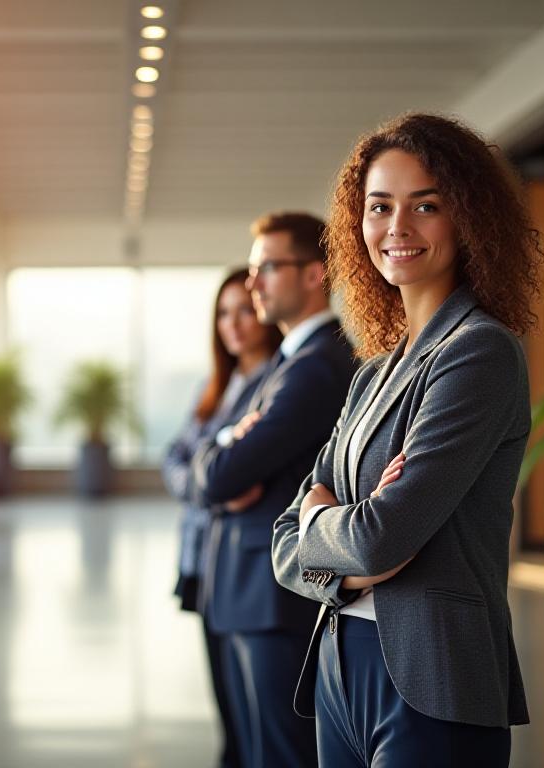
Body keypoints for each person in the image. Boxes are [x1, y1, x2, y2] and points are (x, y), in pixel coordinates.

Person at [271, 113, 542, 767]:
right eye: (379, 207)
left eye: (426, 205)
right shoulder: (373, 371)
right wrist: (338, 538)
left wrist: (334, 524)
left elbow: (381, 536)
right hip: (340, 662)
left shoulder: (479, 354)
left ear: (466, 217)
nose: (398, 228)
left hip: (434, 678)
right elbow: (284, 541)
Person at [191, 212, 358, 768]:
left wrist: (217, 453)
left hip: (273, 599)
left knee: (280, 754)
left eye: (268, 267)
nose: (254, 281)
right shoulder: (288, 364)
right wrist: (220, 450)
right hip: (250, 595)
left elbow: (217, 474)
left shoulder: (315, 368)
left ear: (315, 274)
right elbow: (215, 467)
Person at [163, 267, 282, 768]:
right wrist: (208, 483)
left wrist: (204, 471)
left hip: (242, 564)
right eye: (223, 313)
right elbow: (174, 460)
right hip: (201, 561)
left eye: (243, 310)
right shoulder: (215, 388)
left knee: (253, 717)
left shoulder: (276, 382)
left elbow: (208, 468)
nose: (232, 324)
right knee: (227, 709)